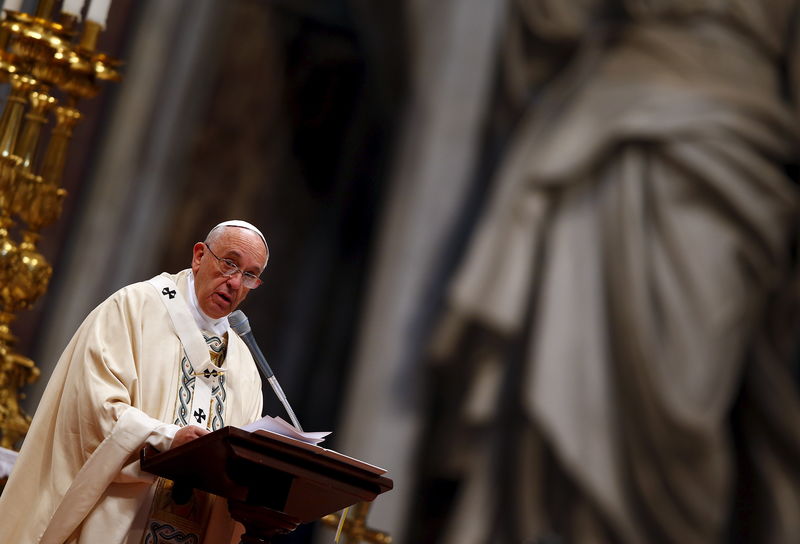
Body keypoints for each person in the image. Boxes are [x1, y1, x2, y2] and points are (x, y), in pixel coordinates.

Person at [413, 1, 800, 543]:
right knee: (564, 364)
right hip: (609, 119)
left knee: (682, 404)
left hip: (735, 143)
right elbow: (556, 21)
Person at [0, 220, 269, 543]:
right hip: (118, 523)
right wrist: (167, 438)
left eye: (250, 275)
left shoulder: (244, 366)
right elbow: (92, 412)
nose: (235, 282)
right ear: (199, 256)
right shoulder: (133, 308)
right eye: (229, 263)